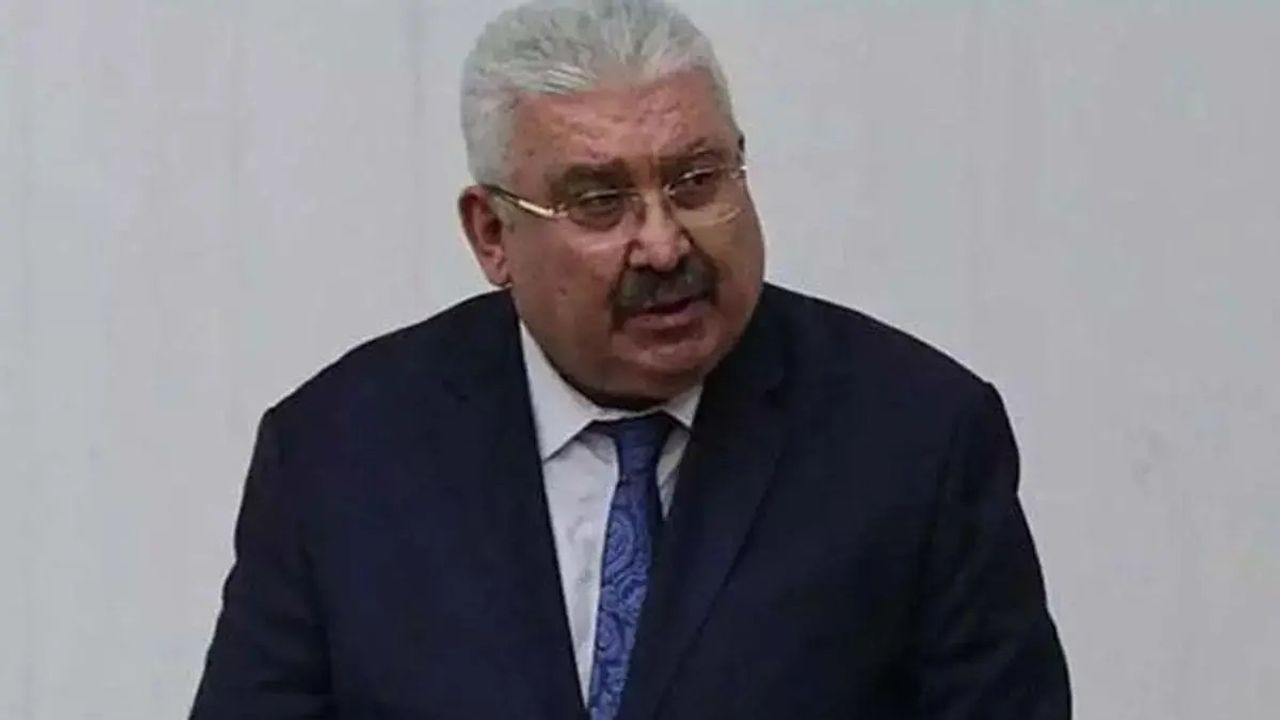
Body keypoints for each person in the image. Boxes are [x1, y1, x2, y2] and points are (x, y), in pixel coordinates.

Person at [190, 0, 1071, 717]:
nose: (663, 244)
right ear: (492, 235)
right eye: (600, 202)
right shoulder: (339, 456)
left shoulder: (915, 439)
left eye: (697, 181)